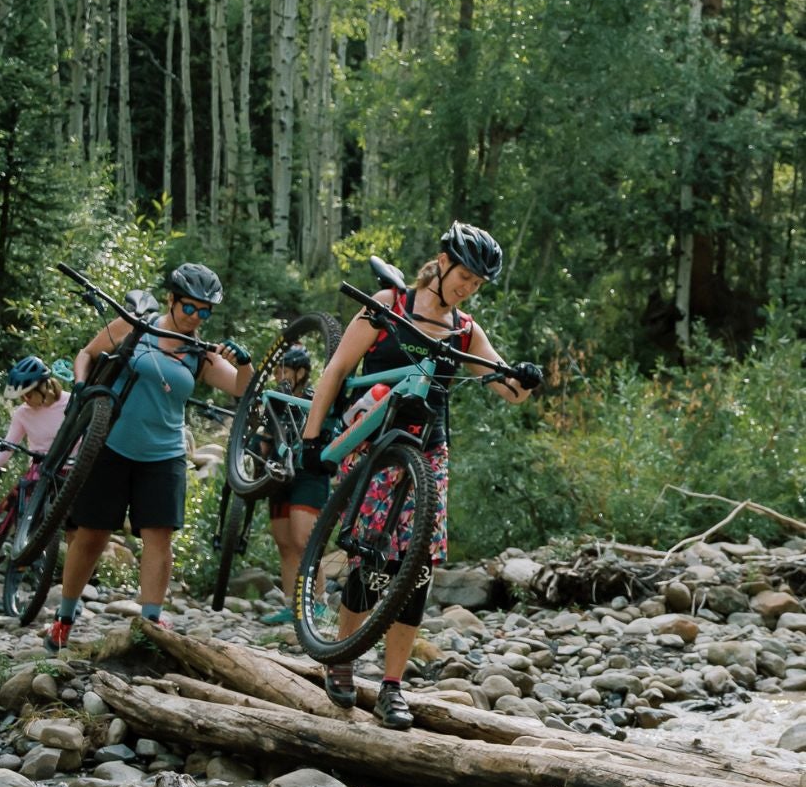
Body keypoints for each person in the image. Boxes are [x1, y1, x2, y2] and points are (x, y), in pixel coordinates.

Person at [300, 221, 542, 729]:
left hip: (428, 451)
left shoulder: (466, 330)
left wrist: (525, 378)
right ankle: (342, 657)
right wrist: (311, 436)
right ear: (443, 262)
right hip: (371, 440)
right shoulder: (389, 303)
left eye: (477, 284)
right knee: (371, 554)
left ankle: (392, 687)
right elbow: (337, 369)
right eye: (465, 276)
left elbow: (507, 389)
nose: (468, 287)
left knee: (418, 569)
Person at [46, 264, 253, 650]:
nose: (196, 317)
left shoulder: (200, 353)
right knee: (92, 534)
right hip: (112, 446)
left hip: (165, 454)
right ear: (171, 300)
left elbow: (241, 386)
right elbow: (86, 355)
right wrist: (79, 386)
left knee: (159, 538)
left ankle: (150, 624)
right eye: (189, 307)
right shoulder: (134, 327)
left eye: (205, 312)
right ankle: (64, 617)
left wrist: (245, 362)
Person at [261, 346, 329, 627]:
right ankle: (292, 605)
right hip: (279, 474)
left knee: (303, 540)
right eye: (278, 370)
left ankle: (320, 603)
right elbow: (265, 439)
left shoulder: (316, 398)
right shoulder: (274, 401)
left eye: (285, 370)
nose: (280, 375)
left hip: (309, 474)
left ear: (301, 372)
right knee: (284, 542)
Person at [0, 357, 73, 502]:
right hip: (41, 472)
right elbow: (8, 446)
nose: (25, 400)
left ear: (43, 386)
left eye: (28, 394)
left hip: (72, 471)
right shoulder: (22, 413)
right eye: (21, 396)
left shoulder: (71, 403)